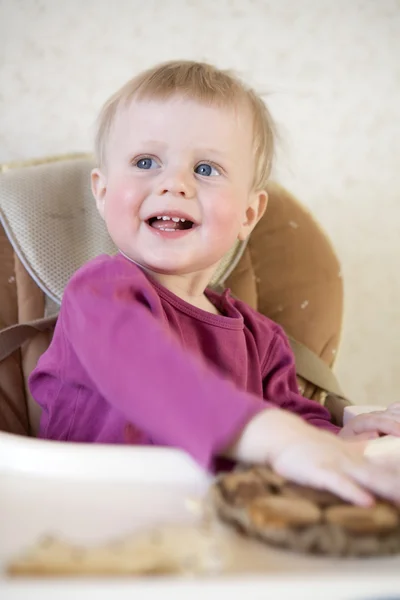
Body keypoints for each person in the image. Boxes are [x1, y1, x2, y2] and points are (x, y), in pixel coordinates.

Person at [29, 60, 400, 506]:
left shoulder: (262, 341)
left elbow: (297, 430)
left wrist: (341, 439)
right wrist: (278, 437)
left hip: (215, 532)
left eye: (206, 169)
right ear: (103, 192)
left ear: (248, 214)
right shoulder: (98, 296)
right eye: (146, 162)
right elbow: (153, 376)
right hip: (85, 517)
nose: (174, 184)